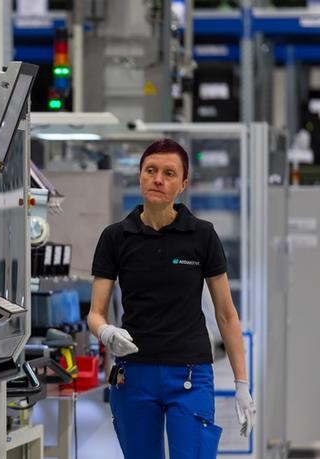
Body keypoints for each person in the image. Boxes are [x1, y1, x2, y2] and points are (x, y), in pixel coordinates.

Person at [87, 138, 255, 458]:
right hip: (134, 374)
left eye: (168, 173)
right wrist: (105, 331)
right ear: (140, 176)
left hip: (190, 374)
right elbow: (96, 312)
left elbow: (226, 315)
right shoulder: (115, 237)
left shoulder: (202, 235)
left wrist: (242, 383)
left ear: (183, 184)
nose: (158, 179)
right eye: (150, 170)